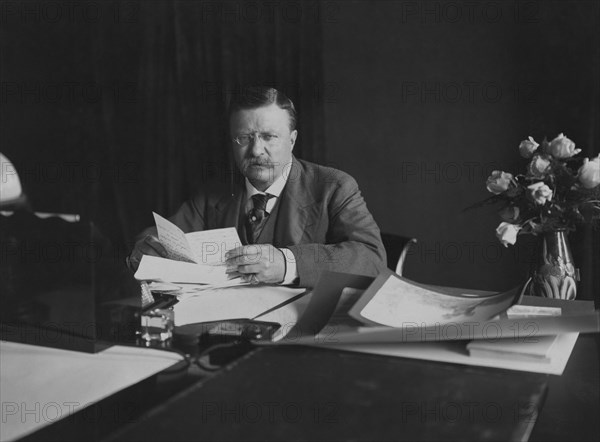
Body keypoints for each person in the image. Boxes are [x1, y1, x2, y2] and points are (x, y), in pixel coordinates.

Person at [127, 87, 386, 288]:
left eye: (269, 137)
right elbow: (166, 235)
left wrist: (287, 263)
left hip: (304, 331)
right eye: (244, 138)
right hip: (230, 330)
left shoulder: (334, 187)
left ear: (292, 140)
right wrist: (146, 249)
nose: (256, 150)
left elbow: (372, 258)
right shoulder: (213, 194)